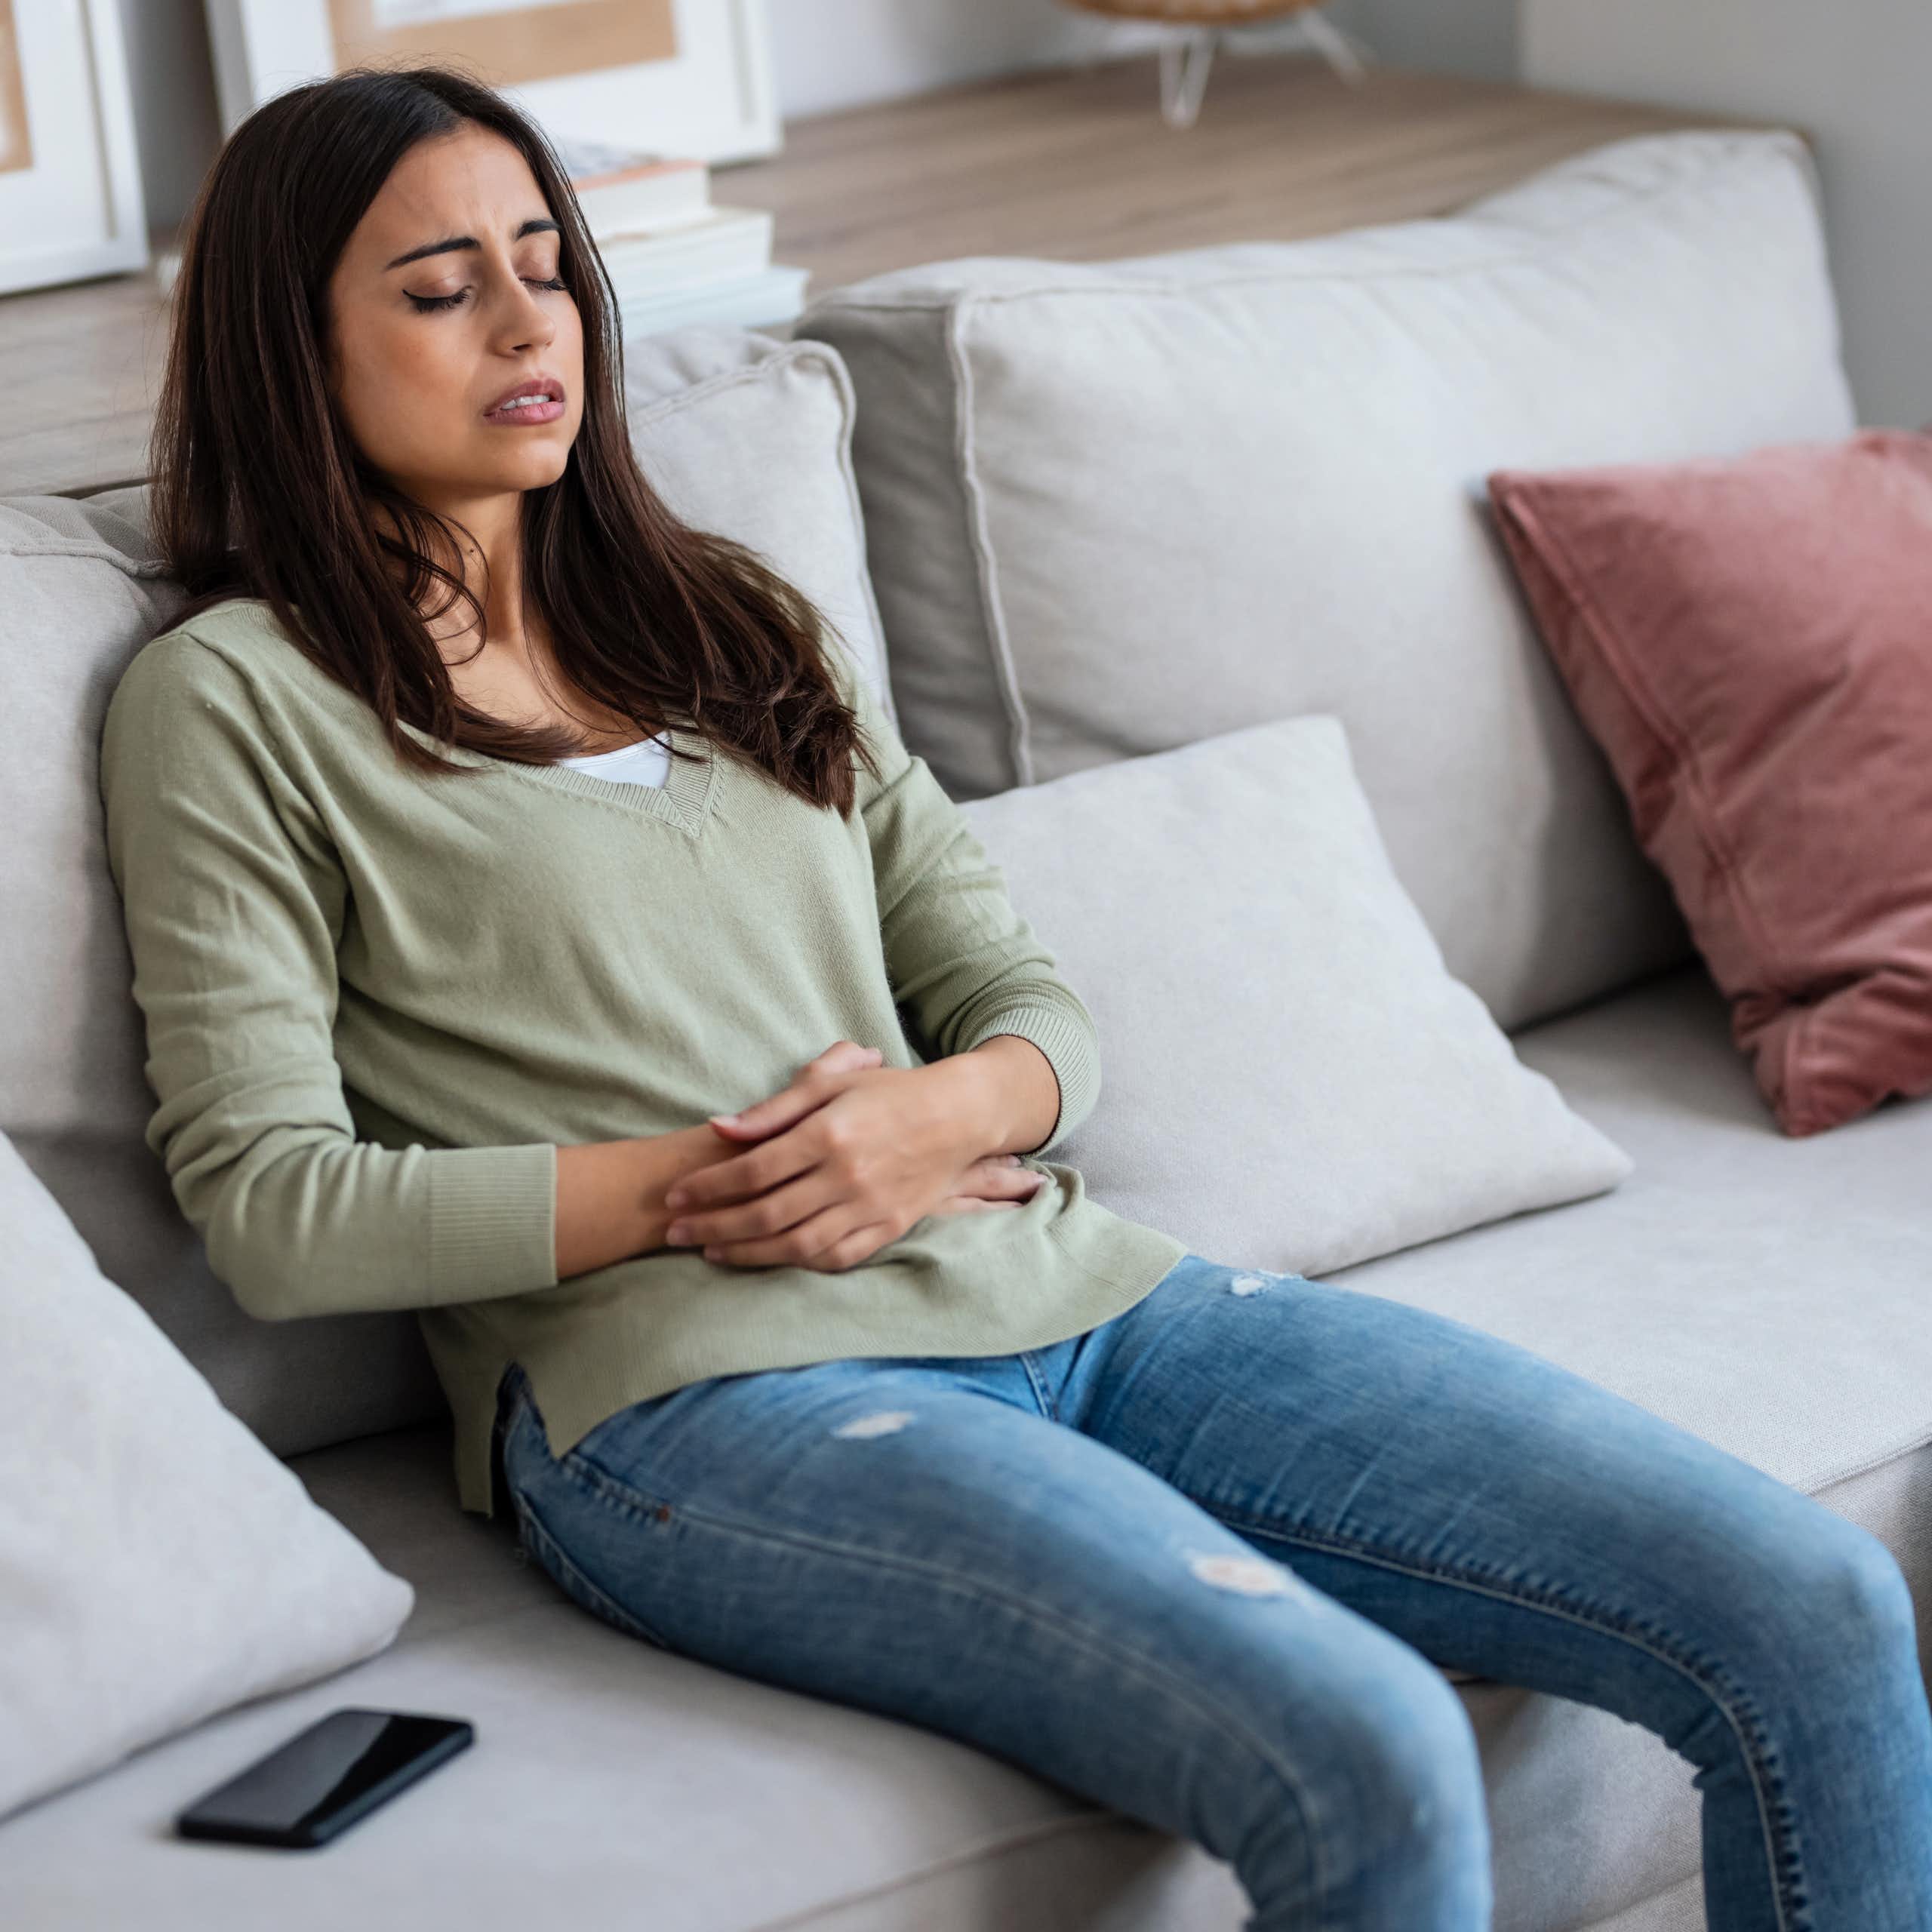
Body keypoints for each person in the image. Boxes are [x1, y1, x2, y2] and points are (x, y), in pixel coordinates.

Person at [99, 63, 1932, 1932]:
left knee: (1814, 1603)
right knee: (1365, 1743)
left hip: (1083, 1295)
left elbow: (1024, 998)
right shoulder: (236, 702)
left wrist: (945, 1113)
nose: (523, 320)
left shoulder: (728, 617)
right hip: (693, 1403)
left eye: (547, 266)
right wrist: (706, 1185)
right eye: (437, 287)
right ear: (290, 345)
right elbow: (269, 1205)